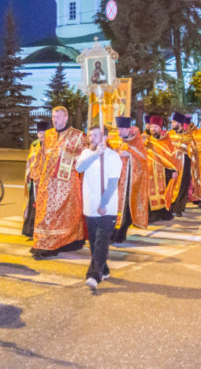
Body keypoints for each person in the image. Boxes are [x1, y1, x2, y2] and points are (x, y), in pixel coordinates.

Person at [29, 107, 87, 258]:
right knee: (44, 215)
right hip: (47, 183)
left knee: (62, 216)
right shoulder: (48, 135)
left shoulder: (77, 136)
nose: (55, 120)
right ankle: (44, 242)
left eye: (59, 117)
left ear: (66, 117)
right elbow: (42, 156)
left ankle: (64, 242)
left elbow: (83, 158)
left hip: (66, 184)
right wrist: (35, 174)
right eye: (54, 117)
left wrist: (66, 155)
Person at [77, 125, 122, 291]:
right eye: (91, 135)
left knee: (101, 243)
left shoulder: (113, 157)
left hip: (106, 209)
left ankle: (93, 276)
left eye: (96, 135)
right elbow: (79, 168)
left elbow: (112, 184)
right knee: (95, 244)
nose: (92, 138)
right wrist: (96, 154)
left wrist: (103, 204)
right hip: (89, 207)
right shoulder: (87, 153)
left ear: (106, 137)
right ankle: (104, 269)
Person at [108, 116, 149, 243]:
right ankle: (112, 233)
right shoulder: (114, 140)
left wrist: (130, 154)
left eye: (123, 129)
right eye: (119, 129)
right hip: (116, 180)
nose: (120, 132)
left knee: (125, 209)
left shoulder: (135, 141)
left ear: (128, 129)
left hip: (128, 182)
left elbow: (143, 157)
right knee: (113, 207)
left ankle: (120, 234)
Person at [145, 115, 180, 222]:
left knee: (162, 194)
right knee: (148, 195)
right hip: (148, 172)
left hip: (162, 172)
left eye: (155, 127)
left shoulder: (165, 141)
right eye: (151, 127)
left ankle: (162, 214)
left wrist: (173, 170)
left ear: (160, 128)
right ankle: (150, 217)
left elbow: (171, 157)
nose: (153, 129)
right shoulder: (145, 140)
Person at [22, 121, 49, 238]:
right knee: (33, 204)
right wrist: (29, 174)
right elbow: (30, 160)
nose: (41, 135)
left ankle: (41, 231)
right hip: (34, 180)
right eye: (39, 133)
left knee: (43, 206)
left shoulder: (51, 145)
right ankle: (31, 231)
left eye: (43, 133)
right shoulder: (34, 144)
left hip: (45, 181)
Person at [167, 112, 193, 216]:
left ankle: (178, 208)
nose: (172, 124)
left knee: (182, 186)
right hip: (171, 164)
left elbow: (193, 151)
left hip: (184, 164)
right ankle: (170, 206)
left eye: (174, 122)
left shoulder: (188, 136)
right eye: (172, 122)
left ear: (179, 123)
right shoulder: (169, 135)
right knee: (171, 185)